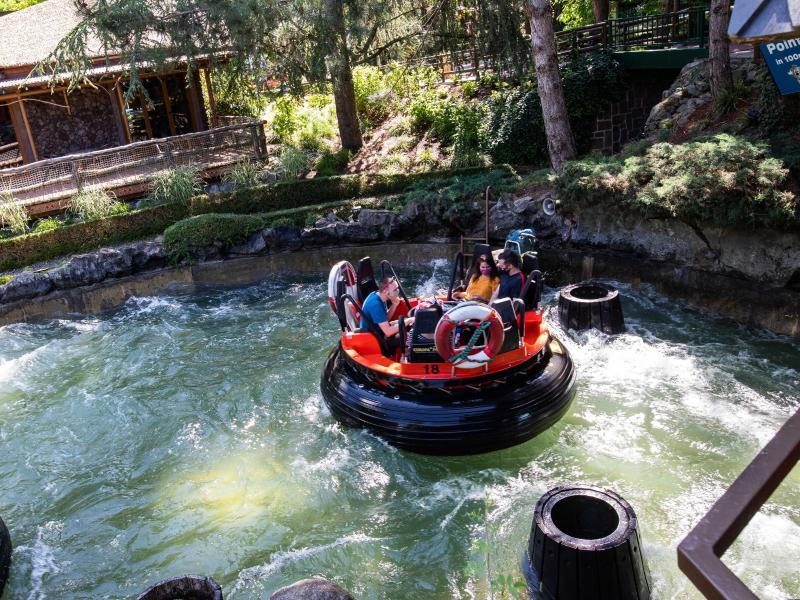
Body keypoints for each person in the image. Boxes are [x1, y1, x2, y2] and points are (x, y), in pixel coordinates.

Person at [359, 277, 414, 352]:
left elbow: (386, 318)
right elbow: (388, 332)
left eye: (397, 288)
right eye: (395, 290)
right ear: (385, 292)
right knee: (409, 336)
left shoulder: (380, 295)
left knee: (406, 323)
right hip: (375, 339)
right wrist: (409, 320)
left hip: (379, 329)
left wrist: (394, 305)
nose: (398, 291)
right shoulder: (375, 305)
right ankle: (409, 355)